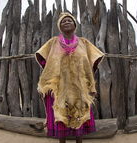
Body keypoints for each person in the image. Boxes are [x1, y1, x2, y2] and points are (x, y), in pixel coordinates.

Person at [35, 12, 104, 143]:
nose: (66, 22)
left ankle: (79, 141)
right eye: (63, 21)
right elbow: (43, 59)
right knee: (61, 115)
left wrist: (88, 80)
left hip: (79, 87)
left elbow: (93, 60)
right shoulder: (53, 43)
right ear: (59, 26)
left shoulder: (84, 43)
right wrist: (52, 74)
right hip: (59, 87)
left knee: (80, 113)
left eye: (69, 20)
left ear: (75, 25)